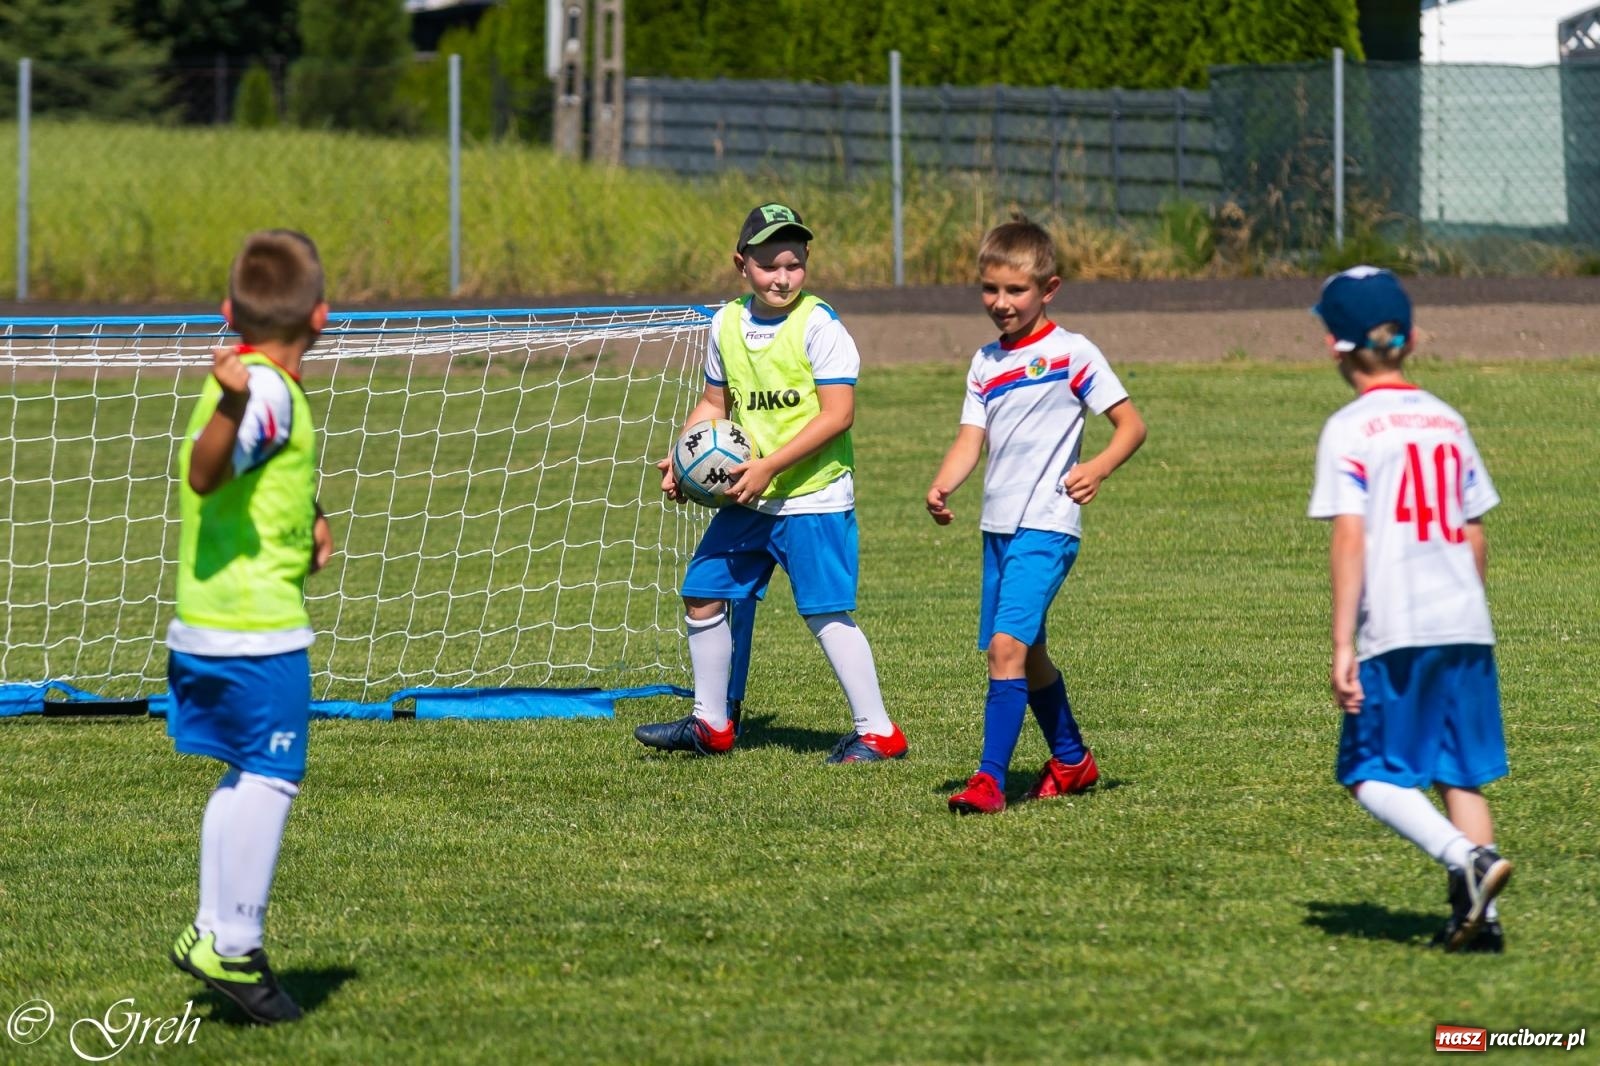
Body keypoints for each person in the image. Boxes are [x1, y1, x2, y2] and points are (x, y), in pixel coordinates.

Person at [635, 203, 907, 763]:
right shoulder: (725, 324)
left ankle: (879, 732)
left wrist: (769, 466)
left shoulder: (820, 326)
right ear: (742, 265)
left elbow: (838, 415)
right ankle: (711, 724)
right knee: (702, 591)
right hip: (750, 498)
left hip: (813, 496)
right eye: (768, 266)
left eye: (794, 264)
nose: (782, 278)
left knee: (824, 611)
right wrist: (683, 457)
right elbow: (714, 404)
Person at [1308, 265, 1512, 952]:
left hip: (1398, 629)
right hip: (1466, 624)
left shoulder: (1350, 427)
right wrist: (1467, 604)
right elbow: (1474, 532)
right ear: (1412, 339)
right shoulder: (1448, 419)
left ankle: (1466, 860)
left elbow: (1351, 537)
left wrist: (1343, 644)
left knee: (1367, 774)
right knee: (1459, 773)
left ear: (1334, 347)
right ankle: (1482, 922)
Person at [165, 229, 335, 1023]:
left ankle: (211, 928)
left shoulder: (257, 386)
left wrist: (311, 514)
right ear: (322, 316)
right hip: (255, 630)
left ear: (229, 311)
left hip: (206, 620)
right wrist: (232, 403)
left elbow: (247, 472)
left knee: (243, 770)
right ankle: (234, 945)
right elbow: (208, 472)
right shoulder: (262, 392)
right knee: (272, 774)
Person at [927, 217, 1146, 815]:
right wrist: (943, 484)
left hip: (1047, 526)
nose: (1001, 302)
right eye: (990, 289)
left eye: (1015, 290)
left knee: (1005, 650)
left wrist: (1098, 467)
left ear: (1048, 289)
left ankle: (988, 781)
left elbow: (1131, 425)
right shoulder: (984, 362)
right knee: (1029, 655)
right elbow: (970, 438)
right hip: (997, 530)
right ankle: (1072, 760)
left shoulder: (1072, 353)